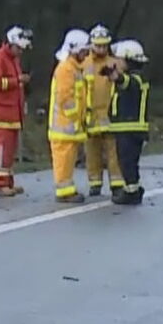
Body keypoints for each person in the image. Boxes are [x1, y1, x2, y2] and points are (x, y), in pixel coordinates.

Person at [0, 25, 33, 197]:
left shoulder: (13, 60)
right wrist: (16, 81)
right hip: (1, 114)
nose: (21, 52)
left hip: (13, 113)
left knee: (10, 150)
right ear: (10, 44)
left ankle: (8, 181)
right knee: (2, 150)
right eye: (18, 48)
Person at [105, 39, 151, 205]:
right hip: (126, 129)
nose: (115, 63)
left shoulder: (137, 79)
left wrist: (116, 77)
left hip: (130, 130)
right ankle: (133, 188)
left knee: (127, 161)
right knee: (127, 161)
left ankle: (131, 192)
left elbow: (126, 83)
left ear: (127, 60)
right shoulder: (135, 78)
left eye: (118, 60)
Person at [48, 29, 91, 203]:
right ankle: (64, 192)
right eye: (84, 51)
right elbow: (66, 98)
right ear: (75, 50)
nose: (86, 54)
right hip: (64, 126)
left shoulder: (74, 68)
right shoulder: (66, 69)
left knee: (68, 160)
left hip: (69, 126)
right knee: (63, 160)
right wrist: (75, 118)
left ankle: (67, 188)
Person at [82, 24, 125, 198]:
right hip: (90, 115)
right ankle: (95, 183)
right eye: (97, 45)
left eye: (104, 45)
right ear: (91, 44)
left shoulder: (115, 63)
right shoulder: (84, 64)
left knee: (113, 151)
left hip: (109, 113)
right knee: (92, 151)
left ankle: (116, 183)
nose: (101, 48)